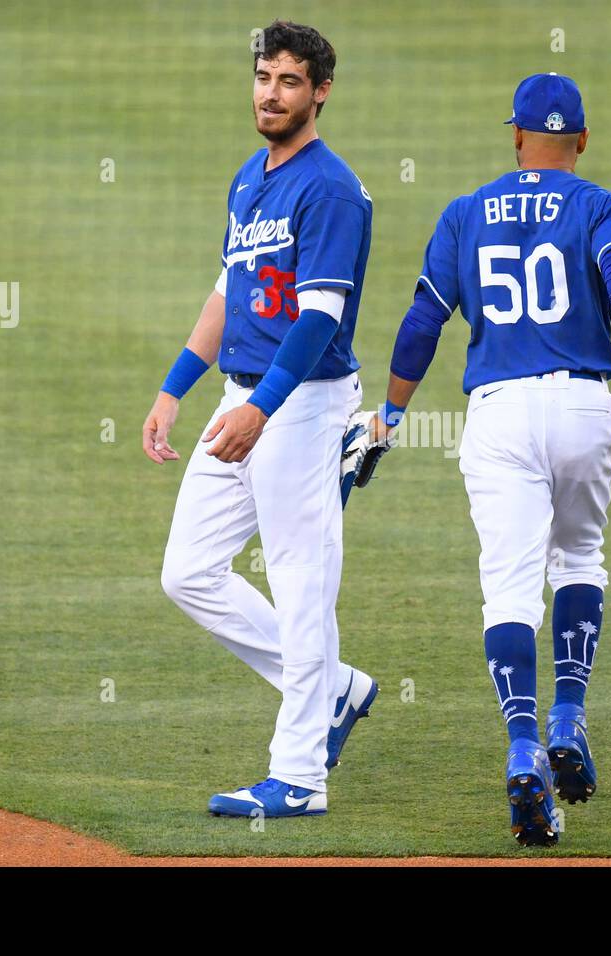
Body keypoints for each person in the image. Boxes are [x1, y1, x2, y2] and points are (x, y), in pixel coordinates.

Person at [360, 73, 611, 845]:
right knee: (577, 558)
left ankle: (522, 748)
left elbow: (422, 320)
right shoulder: (602, 205)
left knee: (507, 587)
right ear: (581, 139)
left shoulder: (465, 211)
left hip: (498, 415)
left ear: (514, 137)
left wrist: (393, 413)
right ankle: (569, 716)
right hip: (582, 407)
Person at [142, 20, 378, 819]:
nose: (270, 93)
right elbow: (227, 292)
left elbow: (319, 320)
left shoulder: (332, 189)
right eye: (262, 77)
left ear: (320, 92)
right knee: (189, 571)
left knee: (302, 586)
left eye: (288, 81)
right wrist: (176, 387)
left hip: (301, 405)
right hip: (244, 396)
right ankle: (334, 688)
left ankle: (300, 778)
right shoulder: (250, 178)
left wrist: (260, 407)